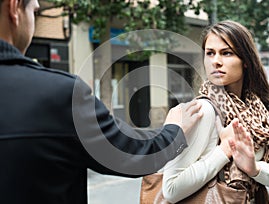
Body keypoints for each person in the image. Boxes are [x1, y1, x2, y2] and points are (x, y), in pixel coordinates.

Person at [0, 0, 204, 203]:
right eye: (34, 11)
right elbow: (133, 154)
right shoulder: (59, 94)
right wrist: (174, 131)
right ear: (14, 7)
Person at [161, 20, 269, 203]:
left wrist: (254, 169)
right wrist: (224, 150)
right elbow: (171, 189)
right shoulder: (204, 111)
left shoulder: (264, 111)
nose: (216, 61)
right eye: (210, 53)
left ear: (245, 61)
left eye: (226, 53)